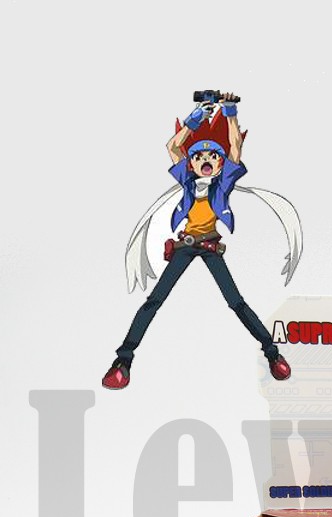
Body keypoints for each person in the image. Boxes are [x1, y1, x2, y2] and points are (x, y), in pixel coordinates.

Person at [102, 92, 301, 389]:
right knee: (154, 301)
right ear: (191, 163)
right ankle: (123, 361)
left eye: (212, 156)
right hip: (185, 245)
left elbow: (235, 147)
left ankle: (273, 354)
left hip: (210, 246)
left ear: (220, 163)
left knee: (236, 302)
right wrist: (195, 117)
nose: (205, 160)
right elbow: (172, 147)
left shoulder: (223, 183)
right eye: (197, 156)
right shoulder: (187, 181)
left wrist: (230, 112)